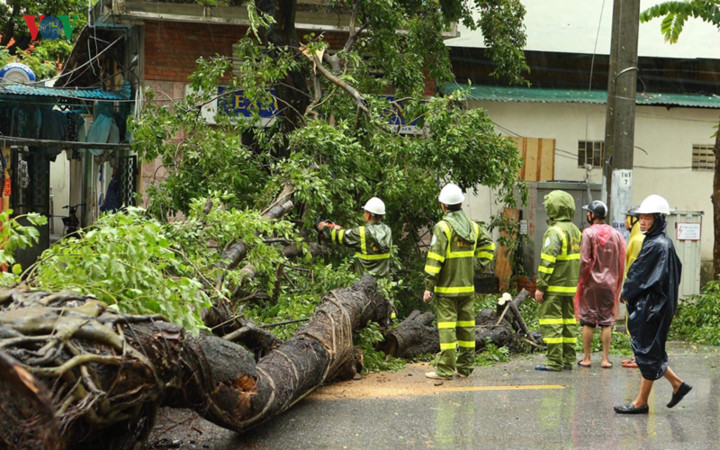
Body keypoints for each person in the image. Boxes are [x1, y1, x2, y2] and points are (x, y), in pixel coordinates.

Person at [614, 194, 692, 414]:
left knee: (647, 352)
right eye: (642, 218)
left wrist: (626, 292)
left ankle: (641, 402)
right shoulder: (662, 242)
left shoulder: (656, 245)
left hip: (652, 307)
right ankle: (677, 385)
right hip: (659, 305)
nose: (644, 221)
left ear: (658, 219)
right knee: (651, 352)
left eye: (648, 217)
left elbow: (638, 275)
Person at [422, 183, 495, 380]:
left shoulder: (442, 228)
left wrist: (429, 286)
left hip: (446, 289)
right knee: (466, 327)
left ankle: (445, 370)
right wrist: (478, 265)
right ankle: (465, 368)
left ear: (443, 206)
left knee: (447, 329)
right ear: (461, 203)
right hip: (467, 288)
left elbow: (434, 259)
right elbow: (489, 245)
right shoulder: (473, 227)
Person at [534, 190, 582, 372]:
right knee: (568, 322)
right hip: (570, 287)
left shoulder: (554, 232)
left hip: (554, 287)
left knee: (552, 322)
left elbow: (547, 261)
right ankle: (568, 359)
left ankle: (554, 361)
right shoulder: (576, 231)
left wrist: (541, 286)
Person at [575, 200, 626, 369]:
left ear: (592, 215)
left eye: (588, 212)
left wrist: (581, 279)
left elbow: (584, 260)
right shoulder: (616, 234)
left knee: (588, 320)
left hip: (591, 283)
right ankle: (605, 359)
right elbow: (620, 260)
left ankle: (587, 358)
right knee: (606, 321)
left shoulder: (588, 233)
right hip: (609, 284)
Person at [316, 197, 393, 279]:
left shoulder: (362, 232)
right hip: (383, 285)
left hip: (365, 285)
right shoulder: (388, 231)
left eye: (365, 212)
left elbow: (341, 236)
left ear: (369, 215)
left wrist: (324, 227)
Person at [621, 206, 644, 369]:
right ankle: (636, 356)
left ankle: (639, 357)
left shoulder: (637, 240)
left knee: (636, 324)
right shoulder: (637, 237)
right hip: (639, 289)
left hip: (636, 290)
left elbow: (633, 269)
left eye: (627, 217)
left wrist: (626, 290)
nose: (624, 221)